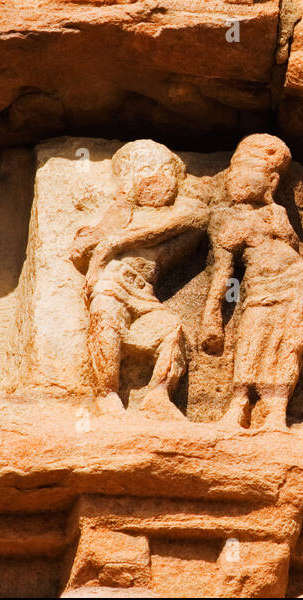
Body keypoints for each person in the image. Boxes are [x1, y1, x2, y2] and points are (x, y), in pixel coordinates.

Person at [70, 141, 207, 415]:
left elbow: (187, 222)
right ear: (127, 180)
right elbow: (79, 249)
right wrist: (106, 232)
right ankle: (107, 395)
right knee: (105, 322)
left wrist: (115, 243)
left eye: (165, 169)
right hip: (111, 283)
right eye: (145, 169)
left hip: (143, 292)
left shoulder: (187, 210)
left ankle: (158, 397)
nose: (157, 176)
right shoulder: (121, 213)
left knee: (171, 330)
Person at [201, 135, 303, 431]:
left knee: (287, 346)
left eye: (246, 172)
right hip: (260, 291)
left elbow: (294, 245)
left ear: (271, 181)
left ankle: (277, 412)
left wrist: (283, 229)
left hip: (298, 286)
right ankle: (238, 406)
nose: (236, 179)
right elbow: (223, 272)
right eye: (234, 171)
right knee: (251, 342)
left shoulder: (277, 213)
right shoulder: (228, 221)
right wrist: (212, 314)